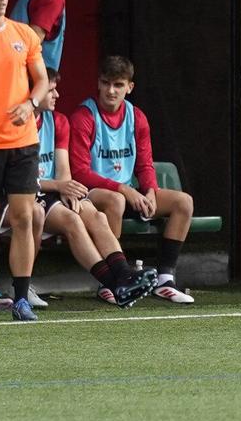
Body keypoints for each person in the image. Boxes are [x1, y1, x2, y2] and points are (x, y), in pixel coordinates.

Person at [67, 55, 198, 303]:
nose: (111, 91)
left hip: (127, 191)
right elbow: (80, 172)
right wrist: (126, 190)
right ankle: (113, 281)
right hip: (92, 193)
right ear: (98, 83)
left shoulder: (137, 117)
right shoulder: (84, 116)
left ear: (130, 87)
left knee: (184, 202)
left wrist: (150, 191)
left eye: (118, 85)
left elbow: (145, 164)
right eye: (106, 83)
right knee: (115, 200)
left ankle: (164, 279)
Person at [34, 68, 157, 306]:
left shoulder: (59, 121)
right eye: (50, 90)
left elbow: (64, 170)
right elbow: (18, 179)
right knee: (73, 220)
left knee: (97, 216)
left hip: (55, 190)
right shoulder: (17, 124)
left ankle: (124, 277)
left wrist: (68, 189)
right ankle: (113, 283)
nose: (57, 95)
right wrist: (61, 185)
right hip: (24, 193)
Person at [0, 0, 44, 321]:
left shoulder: (24, 34)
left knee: (24, 218)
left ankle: (21, 299)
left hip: (22, 143)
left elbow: (41, 80)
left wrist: (31, 104)